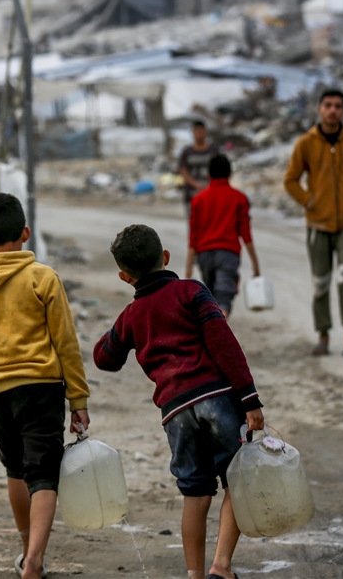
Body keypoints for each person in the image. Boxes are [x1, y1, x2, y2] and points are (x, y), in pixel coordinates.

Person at [93, 224, 264, 579]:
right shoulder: (192, 291)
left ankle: (194, 574)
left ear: (125, 277)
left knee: (195, 494)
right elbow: (223, 343)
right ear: (166, 257)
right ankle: (221, 566)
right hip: (217, 400)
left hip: (175, 413)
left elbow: (104, 358)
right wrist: (250, 399)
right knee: (238, 481)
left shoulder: (131, 315)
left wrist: (119, 330)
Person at [0, 193, 91, 579]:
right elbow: (66, 343)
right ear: (25, 233)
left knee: (16, 472)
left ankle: (26, 552)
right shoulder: (43, 278)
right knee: (43, 474)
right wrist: (78, 398)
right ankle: (36, 559)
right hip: (41, 389)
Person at [284, 89, 343, 357]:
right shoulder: (306, 142)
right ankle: (323, 336)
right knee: (321, 283)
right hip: (317, 225)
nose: (333, 110)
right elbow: (291, 179)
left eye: (338, 106)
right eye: (328, 105)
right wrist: (309, 201)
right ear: (320, 109)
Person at [186, 154, 261, 317]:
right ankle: (219, 325)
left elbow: (193, 236)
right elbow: (246, 234)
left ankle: (214, 326)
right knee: (224, 297)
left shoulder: (198, 200)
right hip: (228, 254)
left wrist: (189, 265)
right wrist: (255, 262)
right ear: (230, 173)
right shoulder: (239, 198)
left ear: (208, 174)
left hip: (204, 255)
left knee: (212, 297)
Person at [178, 120, 218, 216]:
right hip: (191, 195)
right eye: (196, 131)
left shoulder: (214, 150)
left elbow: (219, 170)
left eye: (201, 131)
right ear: (193, 133)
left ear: (206, 132)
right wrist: (197, 185)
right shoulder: (187, 152)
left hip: (211, 194)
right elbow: (183, 171)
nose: (199, 134)